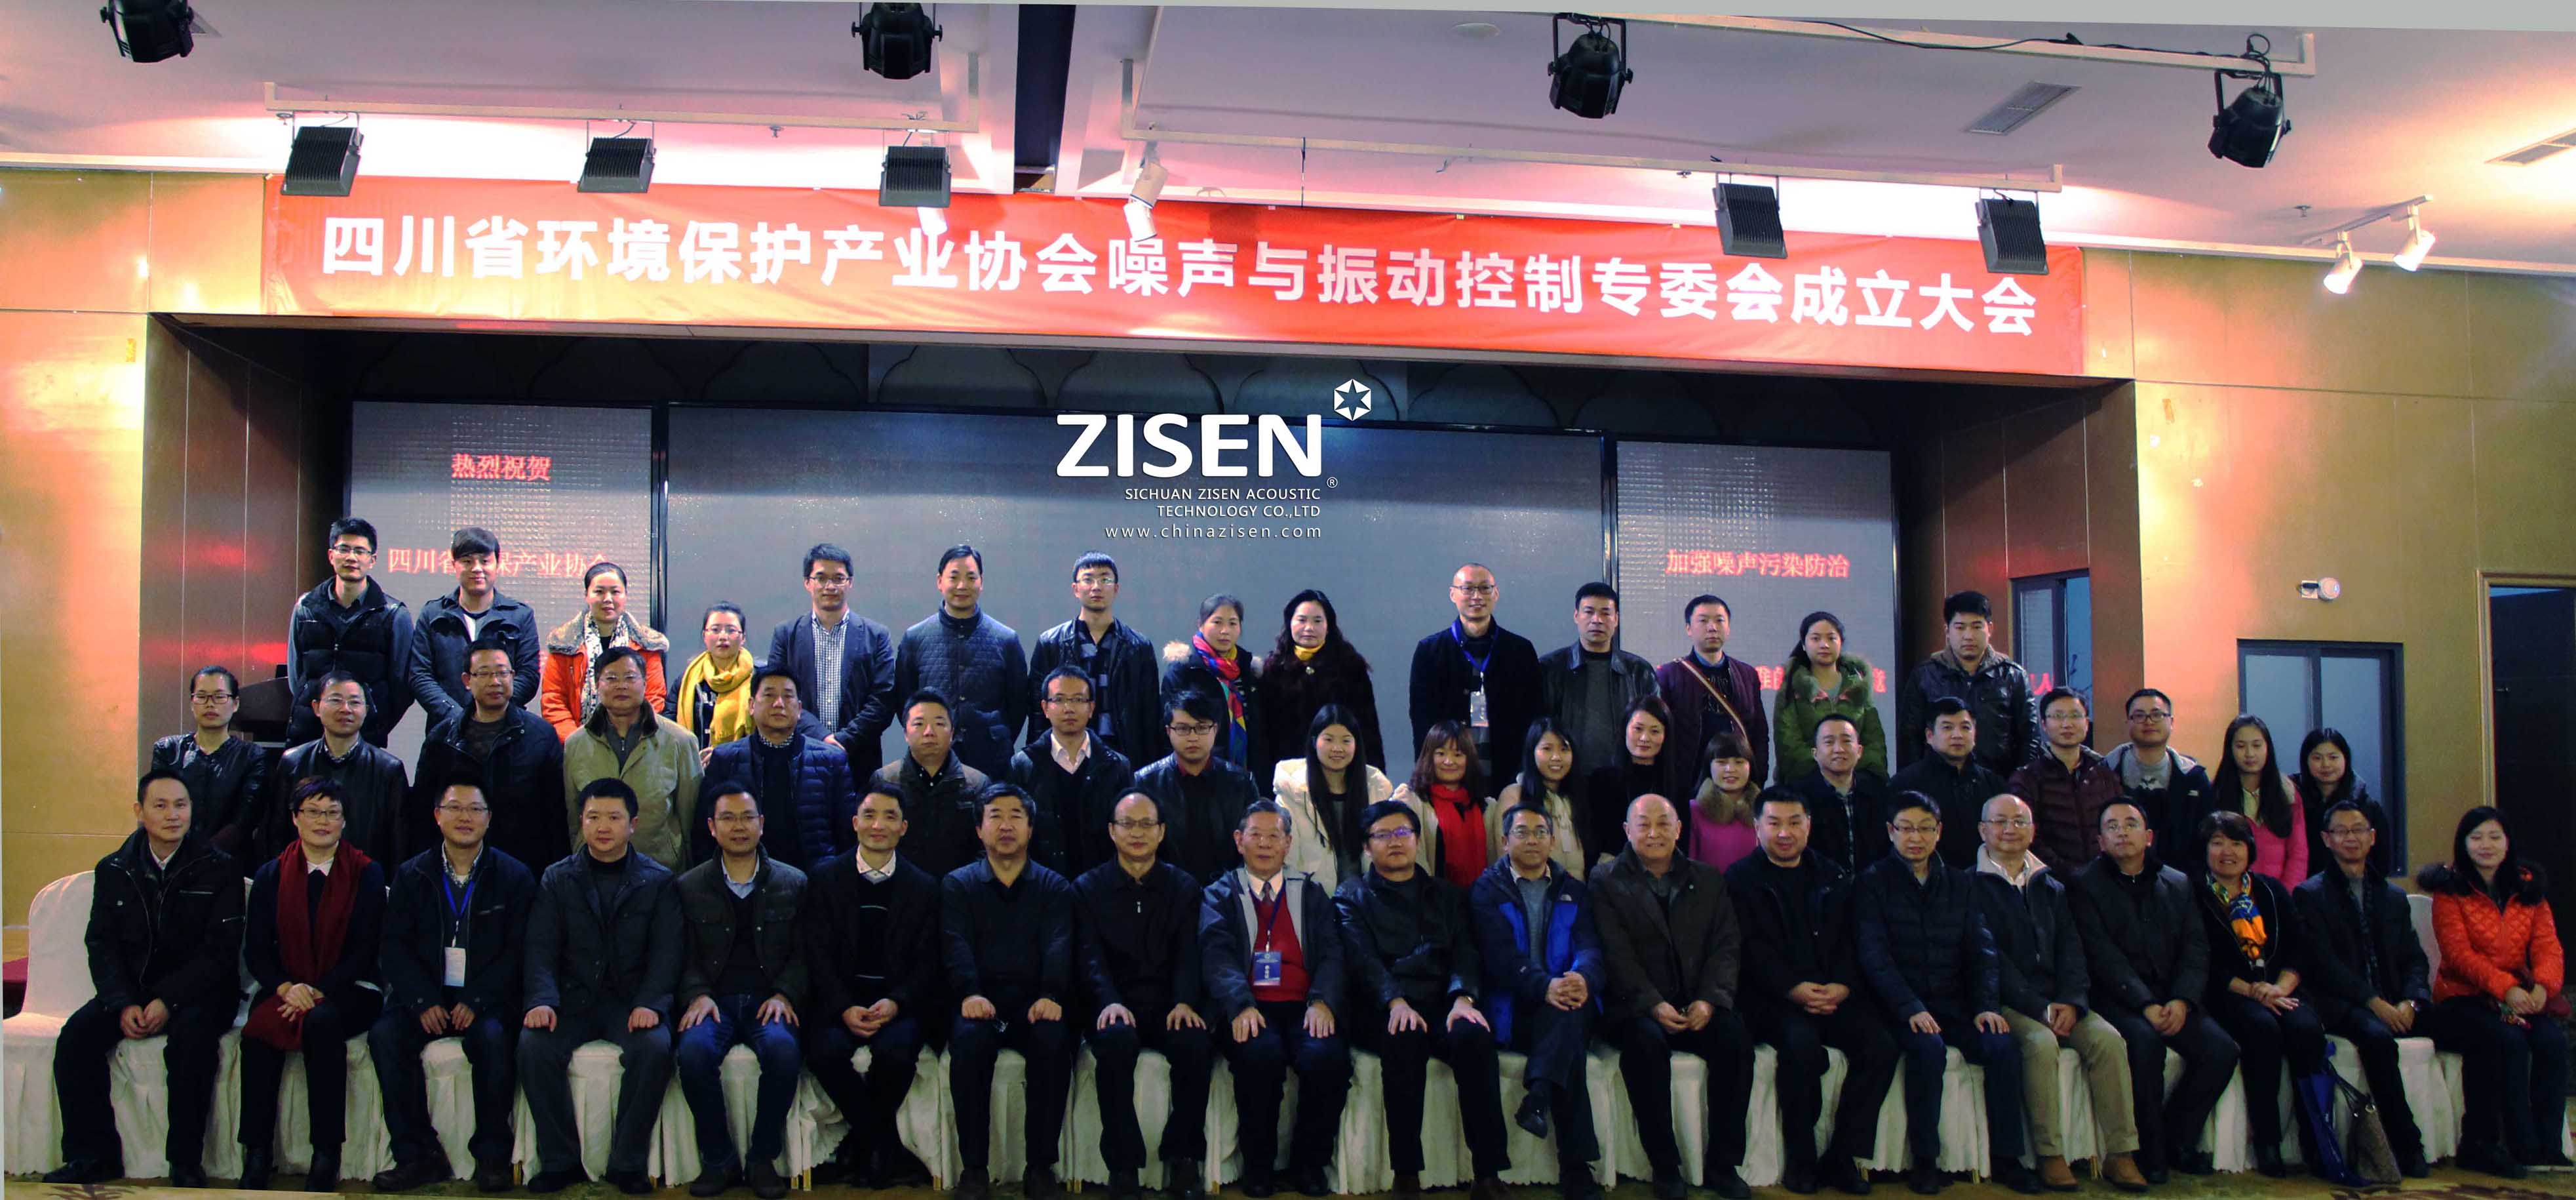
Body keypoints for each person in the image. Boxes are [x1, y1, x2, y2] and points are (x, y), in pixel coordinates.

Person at [43, 770, 244, 1188]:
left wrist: (168, 1000)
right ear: (139, 811)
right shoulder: (115, 868)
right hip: (132, 991)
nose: (173, 815)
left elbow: (220, 952)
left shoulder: (219, 867)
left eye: (181, 805)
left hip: (200, 992)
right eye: (161, 805)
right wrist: (122, 1003)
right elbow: (101, 944)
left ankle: (185, 1162)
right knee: (76, 1038)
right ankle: (92, 1157)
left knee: (192, 1042)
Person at [1852, 793, 2041, 1196]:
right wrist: (1909, 1007)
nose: (1915, 838)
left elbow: (1982, 952)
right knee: (1928, 1049)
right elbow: (1874, 956)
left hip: (1954, 1004)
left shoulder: (1961, 883)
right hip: (1898, 1008)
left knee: (2002, 1045)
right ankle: (1925, 1161)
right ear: (1890, 832)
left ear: (1939, 832)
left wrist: (1986, 1006)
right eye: (1906, 828)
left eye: (1925, 828)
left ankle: (2008, 1159)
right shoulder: (1872, 882)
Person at [368, 773, 538, 1194]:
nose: (465, 817)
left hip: (486, 998)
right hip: (426, 995)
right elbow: (393, 947)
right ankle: (417, 1156)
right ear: (437, 816)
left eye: (475, 809)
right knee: (386, 1036)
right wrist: (423, 1000)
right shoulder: (412, 875)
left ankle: (492, 1157)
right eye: (455, 808)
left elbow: (519, 951)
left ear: (489, 818)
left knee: (494, 1039)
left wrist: (477, 999)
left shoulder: (514, 876)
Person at [1335, 800, 1512, 1200]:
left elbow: (1466, 951)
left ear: (1418, 840)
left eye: (1403, 833)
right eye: (1383, 835)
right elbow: (1362, 960)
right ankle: (1407, 1174)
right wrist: (1394, 1002)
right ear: (1367, 847)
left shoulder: (1447, 894)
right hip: (1385, 1006)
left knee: (1475, 1038)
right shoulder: (1352, 895)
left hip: (1444, 1001)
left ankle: (1488, 1174)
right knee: (1404, 1038)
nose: (1395, 842)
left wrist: (1463, 998)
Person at [1725, 790, 1899, 1195]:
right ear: (1757, 828)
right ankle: (1802, 1160)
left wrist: (1843, 985)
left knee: (1881, 1046)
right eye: (1774, 823)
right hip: (1773, 999)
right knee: (1800, 1047)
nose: (1785, 833)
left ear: (1809, 826)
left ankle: (1843, 1157)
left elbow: (1854, 939)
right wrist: (1793, 989)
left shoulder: (1833, 875)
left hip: (1833, 994)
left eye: (1794, 823)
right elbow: (1749, 949)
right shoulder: (1739, 879)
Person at [1970, 794, 2146, 1193]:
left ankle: (2121, 1153)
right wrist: (2040, 1008)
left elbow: (2072, 949)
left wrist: (2072, 1001)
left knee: (2108, 1040)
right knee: (2040, 1043)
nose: (2010, 829)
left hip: (2062, 1000)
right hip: (2009, 1002)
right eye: (2000, 821)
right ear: (1983, 830)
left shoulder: (2051, 884)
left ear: (2033, 830)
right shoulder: (1969, 886)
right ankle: (2050, 1155)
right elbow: (1989, 958)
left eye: (2020, 821)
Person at [519, 778, 685, 1195]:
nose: (603, 827)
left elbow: (668, 953)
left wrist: (651, 1003)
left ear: (633, 824)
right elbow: (540, 947)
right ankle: (559, 1162)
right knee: (533, 1046)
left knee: (654, 1047)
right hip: (571, 1001)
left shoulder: (658, 880)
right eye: (594, 817)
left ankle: (627, 1164)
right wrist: (542, 1000)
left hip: (630, 1003)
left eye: (614, 817)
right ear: (582, 821)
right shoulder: (557, 878)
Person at [2066, 801, 2239, 1182]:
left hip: (2173, 996)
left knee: (2221, 1050)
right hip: (2117, 998)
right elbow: (2100, 955)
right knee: (2145, 1044)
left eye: (2131, 824)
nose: (2122, 832)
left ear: (2148, 836)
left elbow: (2196, 948)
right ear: (2100, 841)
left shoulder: (2178, 882)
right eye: (2112, 827)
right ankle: (2149, 1153)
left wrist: (2182, 999)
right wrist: (2144, 1004)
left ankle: (2178, 1139)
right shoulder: (2083, 885)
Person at [1593, 795, 1754, 1200]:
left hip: (1698, 1003)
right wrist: (1652, 1003)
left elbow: (1727, 946)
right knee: (1645, 1047)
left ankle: (1723, 1164)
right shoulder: (1606, 880)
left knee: (1735, 1040)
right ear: (1627, 831)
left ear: (1679, 829)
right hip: (1636, 1006)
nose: (1654, 833)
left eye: (1663, 824)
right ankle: (1665, 1166)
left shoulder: (1709, 878)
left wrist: (1710, 1000)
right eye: (1643, 825)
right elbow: (1615, 952)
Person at [236, 778, 389, 1193]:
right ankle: (257, 1152)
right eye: (313, 812)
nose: (323, 821)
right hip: (286, 988)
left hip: (351, 988)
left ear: (344, 820)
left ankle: (326, 1153)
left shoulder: (366, 873)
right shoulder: (271, 874)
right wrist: (288, 988)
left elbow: (365, 950)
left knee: (322, 1023)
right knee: (258, 1031)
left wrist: (318, 991)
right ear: (295, 818)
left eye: (332, 813)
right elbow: (257, 951)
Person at [1201, 801, 1350, 1199]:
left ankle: (1309, 1165)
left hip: (1305, 1005)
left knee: (1327, 1058)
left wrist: (1323, 1001)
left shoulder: (1311, 892)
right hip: (1249, 1006)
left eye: (1274, 836)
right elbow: (1216, 955)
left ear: (1288, 843)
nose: (1265, 844)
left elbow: (1333, 953)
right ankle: (1259, 1167)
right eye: (1256, 835)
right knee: (1259, 1057)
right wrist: (1240, 1004)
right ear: (1239, 841)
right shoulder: (1220, 894)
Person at [1074, 792, 1214, 1200]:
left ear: (1162, 832)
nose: (1137, 833)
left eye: (1146, 824)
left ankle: (1184, 1158)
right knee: (1115, 1043)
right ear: (1111, 831)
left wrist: (1185, 1000)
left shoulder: (1184, 887)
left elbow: (1190, 953)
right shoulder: (1087, 888)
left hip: (1170, 1003)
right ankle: (1123, 1166)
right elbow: (1088, 957)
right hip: (1114, 1003)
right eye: (1127, 824)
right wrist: (1108, 1001)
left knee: (1196, 1043)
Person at [674, 784, 811, 1200]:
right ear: (711, 827)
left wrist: (785, 994)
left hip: (768, 1001)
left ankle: (762, 1159)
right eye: (728, 819)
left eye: (748, 817)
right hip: (713, 1002)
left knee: (783, 1051)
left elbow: (806, 954)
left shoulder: (793, 882)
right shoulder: (688, 886)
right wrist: (697, 993)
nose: (739, 827)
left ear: (762, 824)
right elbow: (679, 953)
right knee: (693, 1053)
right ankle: (718, 1159)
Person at [2187, 810, 2342, 1180]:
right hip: (2226, 993)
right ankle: (2268, 1142)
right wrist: (2252, 991)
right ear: (2205, 849)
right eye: (2217, 843)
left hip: (2279, 989)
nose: (2228, 852)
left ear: (2250, 849)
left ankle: (2317, 1140)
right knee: (2263, 1030)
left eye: (2236, 843)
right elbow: (2200, 958)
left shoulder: (2272, 891)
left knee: (2306, 1029)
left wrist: (2280, 987)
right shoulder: (2192, 894)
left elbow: (2301, 947)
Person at [943, 784, 1078, 1200]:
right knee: (968, 1045)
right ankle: (974, 1169)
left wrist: (1051, 994)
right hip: (979, 1001)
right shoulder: (958, 885)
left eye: (1016, 816)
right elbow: (954, 943)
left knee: (1053, 1043)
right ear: (979, 829)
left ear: (1030, 829)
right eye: (995, 817)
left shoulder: (1054, 887)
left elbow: (1059, 944)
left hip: (1036, 1003)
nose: (1005, 826)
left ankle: (1040, 1167)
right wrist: (969, 992)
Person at [2418, 806, 2569, 1178]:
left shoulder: (2529, 888)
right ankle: (2519, 1145)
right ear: (2463, 844)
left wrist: (2543, 987)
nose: (2486, 845)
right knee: (2508, 1041)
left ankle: (2549, 1145)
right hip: (2464, 997)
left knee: (2552, 1041)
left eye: (2494, 837)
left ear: (2508, 843)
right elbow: (2459, 955)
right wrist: (2506, 988)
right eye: (2476, 838)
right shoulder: (2451, 890)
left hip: (2520, 996)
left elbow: (2549, 947)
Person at [1468, 806, 1609, 1200]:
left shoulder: (1573, 889)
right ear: (1504, 841)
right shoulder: (1487, 890)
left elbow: (1591, 947)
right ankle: (1576, 1168)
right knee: (1567, 1032)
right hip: (1513, 1008)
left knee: (1568, 1013)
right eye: (1522, 832)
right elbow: (1499, 958)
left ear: (1552, 839)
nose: (1532, 840)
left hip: (1566, 999)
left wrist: (1582, 977)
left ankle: (1540, 1096)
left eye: (1540, 832)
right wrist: (1544, 985)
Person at [802, 789, 939, 1190]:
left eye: (890, 816)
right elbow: (816, 954)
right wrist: (843, 1006)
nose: (878, 825)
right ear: (855, 823)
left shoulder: (925, 887)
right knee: (823, 1051)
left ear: (904, 827)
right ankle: (881, 1144)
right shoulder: (824, 879)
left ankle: (862, 1147)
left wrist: (897, 1002)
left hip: (897, 1003)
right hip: (840, 1001)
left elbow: (929, 962)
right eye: (869, 815)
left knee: (897, 1053)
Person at [2292, 800, 2433, 1178]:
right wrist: (2374, 1003)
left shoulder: (2392, 896)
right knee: (2377, 1039)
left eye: (2358, 830)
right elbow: (2323, 966)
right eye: (2341, 831)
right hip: (2342, 1003)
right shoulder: (2310, 894)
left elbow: (2414, 959)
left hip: (2396, 1001)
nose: (2350, 838)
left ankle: (2484, 1141)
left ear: (2372, 837)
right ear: (2326, 839)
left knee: (2478, 1030)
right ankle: (2407, 1146)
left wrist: (2412, 1001)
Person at [410, 632, 566, 880]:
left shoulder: (541, 736)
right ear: (467, 680)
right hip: (456, 869)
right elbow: (421, 813)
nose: (495, 681)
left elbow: (556, 816)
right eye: (484, 673)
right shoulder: (442, 739)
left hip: (524, 869)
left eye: (503, 673)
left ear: (513, 676)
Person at [699, 664, 860, 867]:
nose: (778, 704)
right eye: (769, 695)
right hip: (745, 875)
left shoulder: (831, 760)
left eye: (788, 696)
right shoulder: (725, 759)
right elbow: (704, 830)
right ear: (751, 705)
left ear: (799, 709)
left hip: (816, 875)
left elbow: (847, 833)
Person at [894, 544, 1030, 780]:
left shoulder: (1006, 639)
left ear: (981, 582)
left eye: (971, 577)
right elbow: (904, 700)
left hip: (991, 759)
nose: (962, 586)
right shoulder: (915, 638)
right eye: (954, 577)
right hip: (932, 758)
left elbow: (1018, 704)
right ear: (940, 581)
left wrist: (994, 735)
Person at [564, 646, 705, 870]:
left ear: (645, 683)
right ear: (597, 685)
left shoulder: (680, 741)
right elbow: (574, 817)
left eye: (630, 677)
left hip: (661, 870)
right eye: (611, 678)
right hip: (593, 870)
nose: (621, 685)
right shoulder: (576, 743)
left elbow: (691, 818)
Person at [287, 516, 416, 746]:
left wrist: (377, 722)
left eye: (360, 551)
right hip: (308, 733)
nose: (351, 557)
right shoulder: (305, 608)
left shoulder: (393, 614)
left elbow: (401, 687)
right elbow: (296, 676)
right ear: (331, 555)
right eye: (344, 549)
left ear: (372, 560)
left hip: (366, 737)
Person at [1027, 551, 1163, 766]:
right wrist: (1037, 761)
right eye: (1088, 579)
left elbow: (1151, 713)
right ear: (1075, 589)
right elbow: (1038, 711)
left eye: (1105, 580)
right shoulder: (1051, 643)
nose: (1096, 587)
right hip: (1065, 754)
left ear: (1116, 588)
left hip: (1123, 755)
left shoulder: (1138, 647)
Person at [767, 543, 899, 761]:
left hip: (859, 757)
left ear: (850, 583)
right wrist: (821, 737)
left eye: (838, 578)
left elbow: (883, 700)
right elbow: (779, 695)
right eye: (821, 578)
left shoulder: (877, 635)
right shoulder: (785, 636)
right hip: (798, 756)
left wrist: (844, 741)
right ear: (807, 583)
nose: (830, 586)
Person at [1411, 563, 1542, 775]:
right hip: (1449, 771)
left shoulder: (1520, 650)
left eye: (1485, 588)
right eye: (1468, 588)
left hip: (1507, 769)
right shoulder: (1430, 651)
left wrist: (1525, 775)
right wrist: (1425, 774)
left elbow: (1533, 716)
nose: (1477, 596)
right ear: (1453, 594)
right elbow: (1421, 721)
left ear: (1496, 593)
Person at [1009, 664, 1138, 878]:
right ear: (1045, 708)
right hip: (1041, 884)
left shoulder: (1117, 766)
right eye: (1059, 700)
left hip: (1102, 883)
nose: (1069, 708)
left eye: (1078, 700)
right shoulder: (1023, 765)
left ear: (1091, 708)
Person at [270, 670, 411, 863]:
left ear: (366, 710)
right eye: (336, 700)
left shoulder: (388, 769)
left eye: (354, 702)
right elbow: (275, 834)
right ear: (316, 707)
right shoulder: (293, 762)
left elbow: (400, 844)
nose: (346, 709)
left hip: (365, 875)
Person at [407, 526, 541, 729]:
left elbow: (528, 675)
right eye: (467, 561)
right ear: (454, 565)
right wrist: (457, 716)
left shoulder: (520, 616)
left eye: (485, 561)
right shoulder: (433, 614)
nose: (477, 568)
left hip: (506, 728)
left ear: (497, 564)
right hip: (447, 728)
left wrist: (493, 713)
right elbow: (420, 676)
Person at [1896, 591, 2036, 778]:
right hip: (1937, 784)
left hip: (1999, 784)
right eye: (1960, 627)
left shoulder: (2012, 676)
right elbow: (1909, 738)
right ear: (1947, 631)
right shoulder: (1925, 675)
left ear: (1990, 629)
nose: (1969, 636)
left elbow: (2030, 737)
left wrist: (2019, 784)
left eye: (1977, 627)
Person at [1255, 588, 1385, 784]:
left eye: (1317, 621)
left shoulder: (1350, 667)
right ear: (1289, 623)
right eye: (1302, 620)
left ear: (1329, 625)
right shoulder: (1274, 669)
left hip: (1342, 773)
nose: (1309, 628)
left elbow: (1368, 729)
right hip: (1288, 776)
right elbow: (1264, 734)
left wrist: (1375, 777)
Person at [1133, 690, 1262, 884]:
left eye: (1201, 728)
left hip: (1229, 891)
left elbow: (1253, 845)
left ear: (1215, 730)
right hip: (1166, 891)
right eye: (1183, 729)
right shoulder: (1146, 783)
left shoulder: (1241, 782)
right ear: (1169, 731)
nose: (1193, 737)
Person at [1275, 703, 1403, 892]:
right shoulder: (1292, 794)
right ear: (1314, 742)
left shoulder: (1377, 790)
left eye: (1346, 741)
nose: (1337, 748)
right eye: (1328, 740)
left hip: (1368, 900)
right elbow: (1287, 861)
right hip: (1312, 901)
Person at [1536, 583, 1659, 779]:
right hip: (1565, 777)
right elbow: (1537, 730)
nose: (1597, 620)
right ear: (1576, 616)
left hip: (1624, 778)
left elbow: (1656, 727)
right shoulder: (1550, 668)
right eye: (1589, 612)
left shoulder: (1638, 671)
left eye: (1605, 613)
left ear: (1616, 619)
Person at [150, 664, 268, 862]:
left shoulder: (253, 756)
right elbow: (159, 807)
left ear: (235, 704)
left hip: (231, 861)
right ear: (192, 703)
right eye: (202, 696)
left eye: (219, 697)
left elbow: (246, 819)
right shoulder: (168, 750)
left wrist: (202, 857)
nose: (210, 704)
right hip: (173, 857)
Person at [541, 561, 669, 740]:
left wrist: (630, 738)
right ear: (586, 595)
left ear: (625, 595)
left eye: (615, 592)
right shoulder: (564, 644)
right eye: (599, 592)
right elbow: (554, 700)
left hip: (635, 744)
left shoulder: (646, 645)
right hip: (578, 745)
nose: (607, 599)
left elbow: (654, 697)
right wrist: (577, 741)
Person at [1654, 594, 1768, 790]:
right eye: (1703, 621)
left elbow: (1759, 732)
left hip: (1738, 782)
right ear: (1689, 628)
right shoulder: (1668, 675)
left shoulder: (1747, 674)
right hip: (1689, 781)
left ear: (1728, 628)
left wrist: (1758, 777)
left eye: (1719, 620)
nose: (1712, 627)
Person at [2007, 689, 2124, 872]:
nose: (2067, 724)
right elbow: (2028, 837)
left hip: (2104, 878)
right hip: (2051, 881)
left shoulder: (2105, 775)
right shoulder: (2027, 778)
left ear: (2087, 723)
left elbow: (2119, 826)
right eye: (2058, 716)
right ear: (2044, 724)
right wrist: (2069, 874)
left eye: (2075, 716)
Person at [1888, 697, 2003, 870]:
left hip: (1983, 878)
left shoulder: (1994, 784)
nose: (1957, 735)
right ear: (1929, 736)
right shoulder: (1905, 784)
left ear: (1975, 734)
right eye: (1947, 728)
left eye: (1965, 727)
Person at [1772, 612, 1888, 783]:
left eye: (1831, 638)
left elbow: (1875, 744)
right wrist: (1830, 770)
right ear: (1804, 644)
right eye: (1816, 638)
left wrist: (1848, 772)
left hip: (1857, 784)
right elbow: (1789, 748)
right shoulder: (1791, 688)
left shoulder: (1858, 686)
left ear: (1841, 643)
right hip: (1806, 784)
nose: (1824, 645)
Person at [2101, 689, 2212, 857]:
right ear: (2128, 723)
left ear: (2171, 722)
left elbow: (2207, 834)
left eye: (2157, 715)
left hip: (2181, 872)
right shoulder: (2105, 773)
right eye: (2139, 716)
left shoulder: (2194, 777)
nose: (2149, 722)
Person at [1163, 593, 1263, 775]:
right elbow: (1168, 728)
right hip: (1198, 772)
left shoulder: (1248, 670)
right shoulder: (1184, 670)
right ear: (1200, 624)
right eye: (1217, 622)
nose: (1225, 631)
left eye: (1233, 623)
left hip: (1247, 772)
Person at [1584, 696, 1683, 865]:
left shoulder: (1676, 782)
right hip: (1613, 871)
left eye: (1654, 731)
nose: (1645, 738)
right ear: (1625, 730)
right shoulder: (1601, 781)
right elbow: (1592, 840)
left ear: (1666, 736)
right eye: (1638, 729)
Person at [2209, 714, 2307, 887]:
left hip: (2279, 895)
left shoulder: (2288, 794)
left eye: (2257, 745)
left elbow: (2298, 854)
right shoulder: (2216, 794)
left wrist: (2284, 896)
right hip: (2228, 895)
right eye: (2241, 746)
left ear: (2268, 748)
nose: (2250, 754)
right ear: (2230, 749)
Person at [1788, 714, 1894, 870]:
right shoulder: (1797, 798)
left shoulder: (1880, 792)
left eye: (1846, 741)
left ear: (1859, 751)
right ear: (1815, 753)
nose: (1839, 749)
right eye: (1829, 742)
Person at [1390, 721, 1488, 889]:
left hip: (1480, 898)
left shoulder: (1485, 806)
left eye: (1458, 755)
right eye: (1441, 753)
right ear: (1429, 757)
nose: (1449, 761)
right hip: (1430, 898)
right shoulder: (1410, 801)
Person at [1490, 718, 1588, 880]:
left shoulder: (1575, 798)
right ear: (1532, 752)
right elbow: (1505, 860)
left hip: (1575, 893)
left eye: (1564, 749)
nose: (1556, 757)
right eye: (1547, 749)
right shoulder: (1514, 795)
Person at [2294, 728, 2386, 878]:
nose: (2326, 765)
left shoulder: (2366, 806)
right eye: (2317, 758)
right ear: (2306, 761)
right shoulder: (2292, 800)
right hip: (2303, 886)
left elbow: (2381, 859)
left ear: (2346, 759)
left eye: (2333, 757)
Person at [674, 603, 759, 753]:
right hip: (694, 762)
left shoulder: (758, 678)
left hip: (743, 762)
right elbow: (669, 725)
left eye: (731, 630)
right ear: (704, 636)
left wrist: (726, 754)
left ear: (743, 638)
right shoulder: (687, 679)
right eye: (715, 630)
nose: (723, 637)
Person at [1688, 730, 1762, 872]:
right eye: (1722, 762)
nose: (1730, 769)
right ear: (1709, 766)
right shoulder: (1694, 810)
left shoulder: (1763, 810)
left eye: (1739, 762)